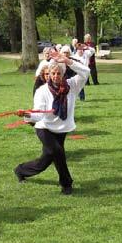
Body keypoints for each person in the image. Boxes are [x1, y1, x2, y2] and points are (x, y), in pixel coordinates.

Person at [14, 50, 90, 195]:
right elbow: (38, 115)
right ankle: (67, 184)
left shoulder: (73, 86)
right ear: (48, 74)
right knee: (57, 151)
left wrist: (67, 61)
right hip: (44, 128)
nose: (55, 76)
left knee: (45, 161)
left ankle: (20, 170)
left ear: (63, 74)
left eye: (58, 73)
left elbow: (86, 72)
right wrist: (27, 115)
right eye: (52, 74)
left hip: (62, 129)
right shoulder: (42, 91)